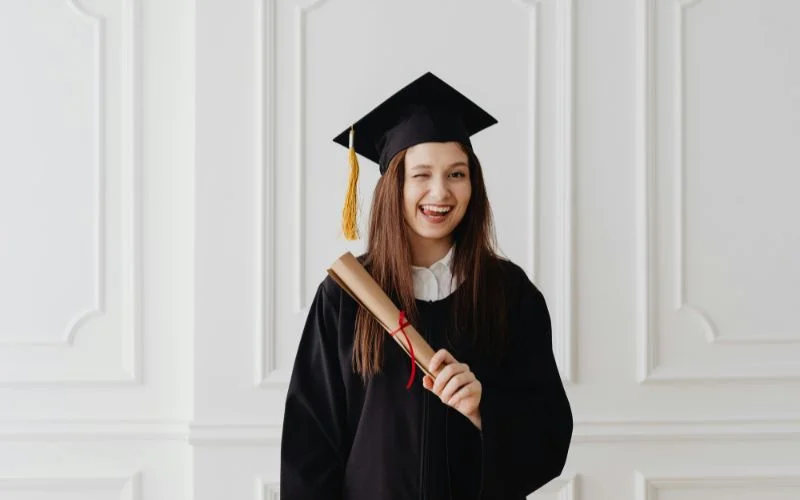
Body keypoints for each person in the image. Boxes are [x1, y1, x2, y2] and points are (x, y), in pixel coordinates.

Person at [280, 72, 573, 499]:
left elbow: (549, 438)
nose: (441, 192)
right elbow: (309, 448)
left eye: (457, 174)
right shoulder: (347, 297)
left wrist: (482, 409)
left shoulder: (510, 294)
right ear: (394, 185)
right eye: (421, 174)